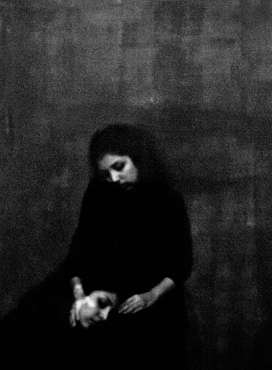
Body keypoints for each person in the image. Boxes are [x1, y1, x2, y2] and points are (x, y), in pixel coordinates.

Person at [65, 123, 193, 370]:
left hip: (158, 318)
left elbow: (182, 263)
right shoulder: (97, 195)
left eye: (119, 167)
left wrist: (151, 296)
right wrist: (80, 297)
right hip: (108, 316)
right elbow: (77, 255)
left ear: (138, 160)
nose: (114, 179)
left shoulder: (168, 199)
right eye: (106, 174)